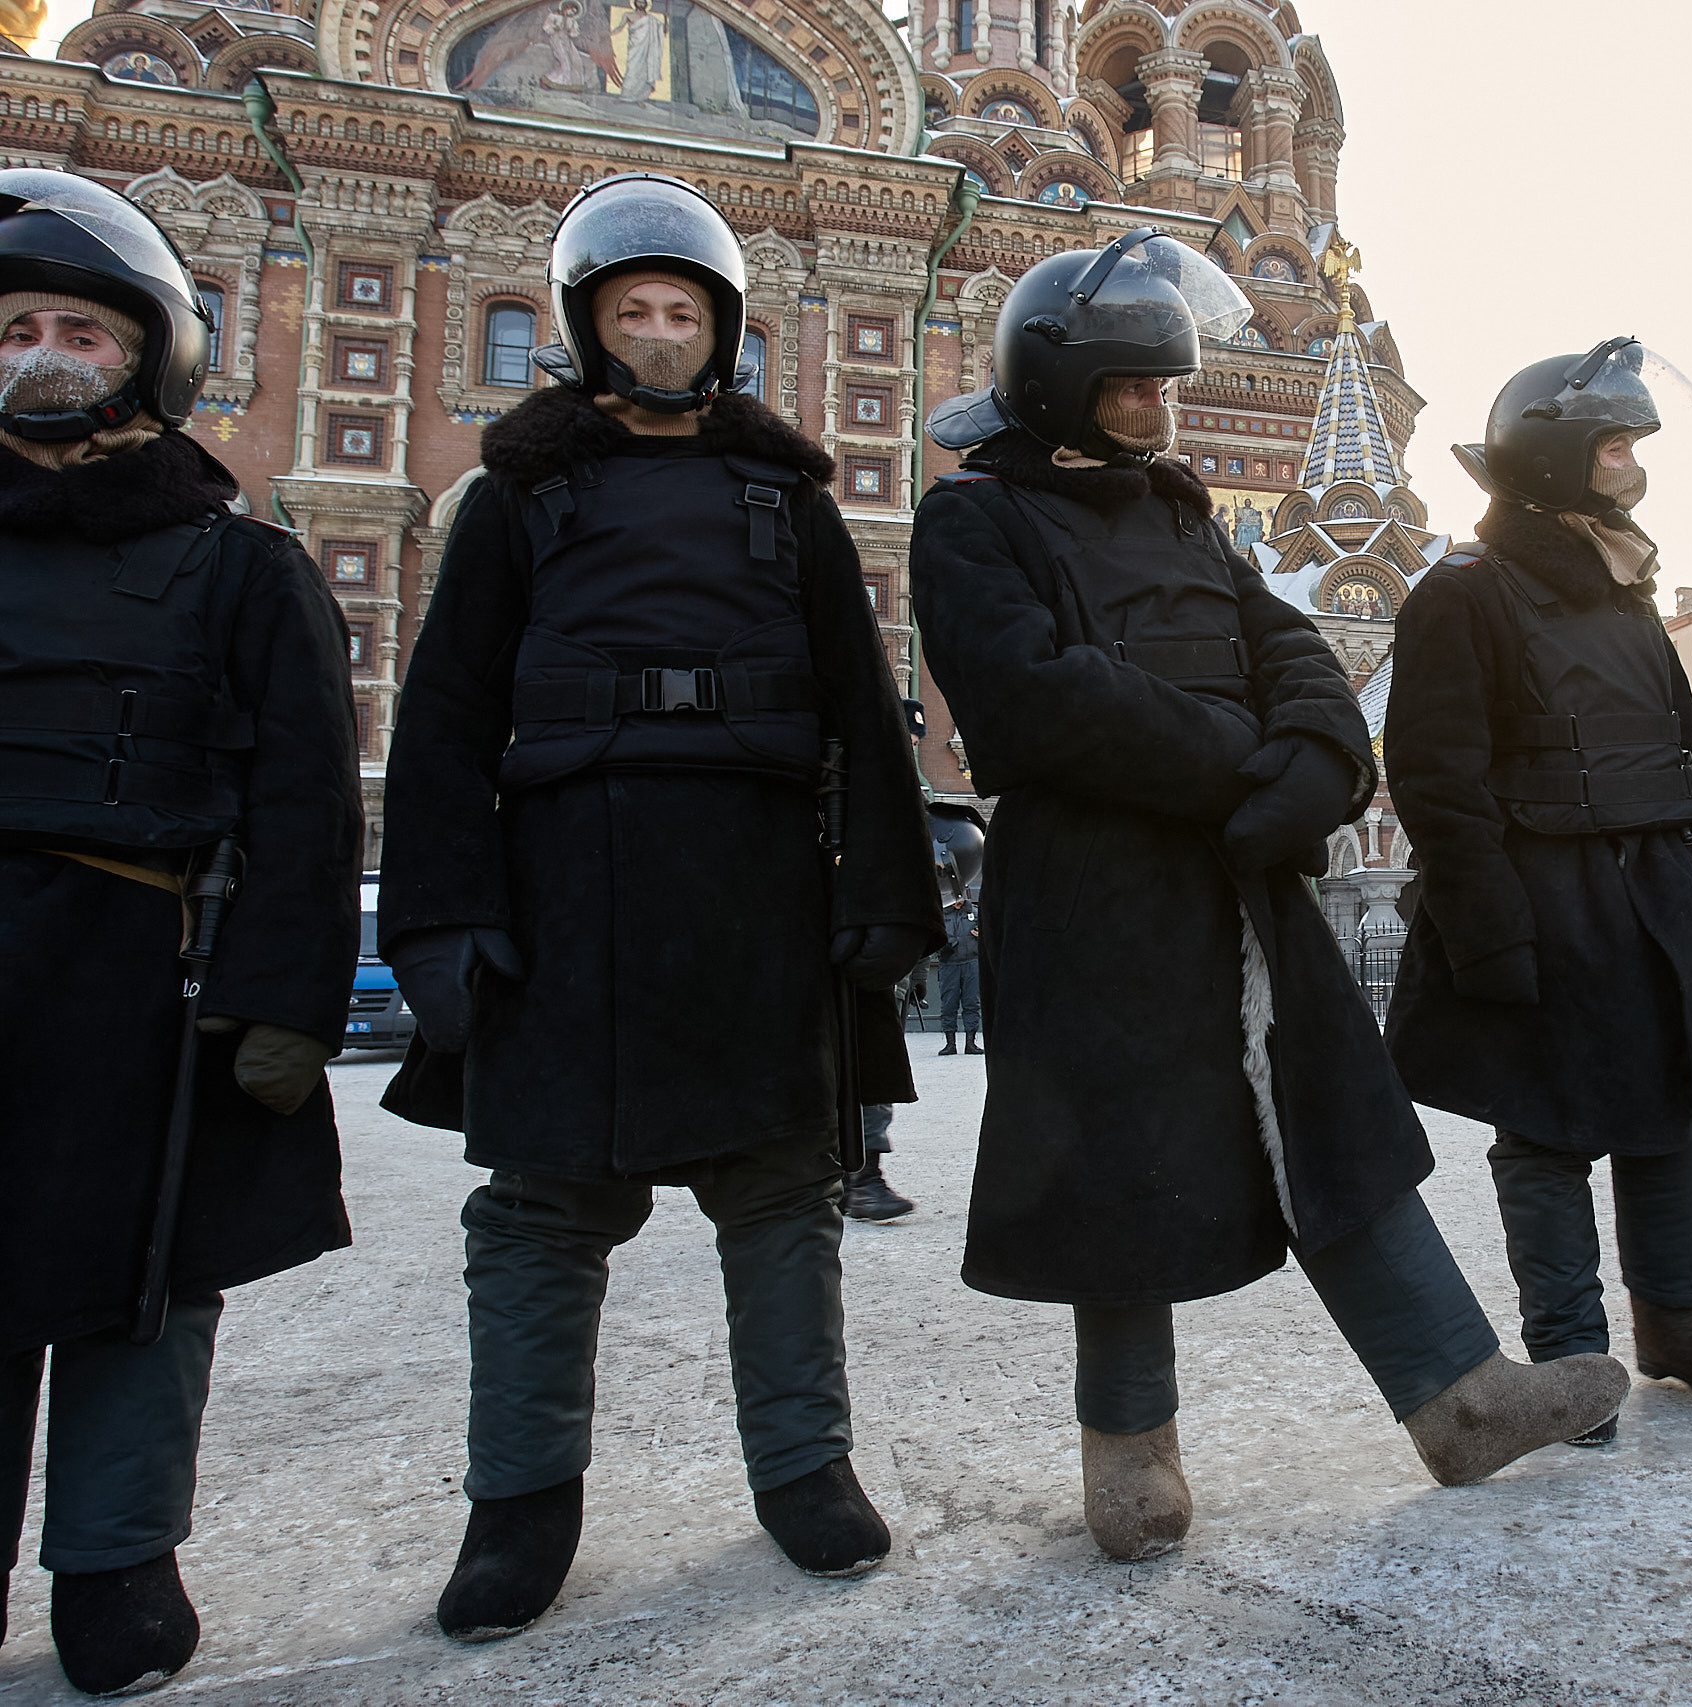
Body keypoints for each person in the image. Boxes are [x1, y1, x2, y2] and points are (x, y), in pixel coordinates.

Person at [912, 229, 1627, 1562]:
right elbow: (1034, 696)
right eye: (1130, 384)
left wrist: (1317, 758)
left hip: (1239, 874)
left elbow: (1288, 642)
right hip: (1091, 892)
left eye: (1160, 383)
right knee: (1113, 1158)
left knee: (1337, 1128)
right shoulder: (974, 515)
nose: (1154, 404)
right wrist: (1245, 765)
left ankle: (1462, 1399)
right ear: (1061, 387)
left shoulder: (1182, 510)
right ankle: (1131, 1452)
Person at [377, 173, 941, 1641]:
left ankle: (805, 1467)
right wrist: (439, 913)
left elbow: (863, 704)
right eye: (631, 308)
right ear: (587, 328)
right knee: (541, 1208)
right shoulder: (519, 498)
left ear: (723, 332)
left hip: (756, 885)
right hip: (566, 887)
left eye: (682, 311)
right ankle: (519, 1504)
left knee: (781, 1191)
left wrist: (884, 895)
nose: (658, 331)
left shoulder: (786, 500)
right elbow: (446, 714)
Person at [0, 170, 360, 1696]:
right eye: (17, 327)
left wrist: (283, 995)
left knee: (146, 1273)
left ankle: (118, 1554)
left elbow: (305, 795)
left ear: (149, 356)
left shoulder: (239, 563)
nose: (46, 351)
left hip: (135, 961)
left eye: (82, 329)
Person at [1383, 340, 1692, 1443]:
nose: (1630, 460)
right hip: (1540, 895)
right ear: (1553, 455)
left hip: (1655, 892)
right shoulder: (1462, 593)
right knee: (1546, 1134)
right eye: (1613, 443)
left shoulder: (1625, 589)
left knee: (1672, 1112)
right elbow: (1437, 782)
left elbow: (1684, 752)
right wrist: (1487, 933)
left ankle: (1674, 1324)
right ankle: (1570, 1357)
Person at [934, 851, 982, 1056]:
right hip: (949, 964)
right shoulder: (940, 915)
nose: (958, 901)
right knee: (949, 1005)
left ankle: (971, 1042)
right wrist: (944, 946)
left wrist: (981, 936)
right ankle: (950, 1043)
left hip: (971, 963)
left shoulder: (975, 913)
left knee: (972, 1003)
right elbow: (932, 938)